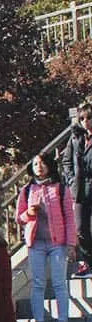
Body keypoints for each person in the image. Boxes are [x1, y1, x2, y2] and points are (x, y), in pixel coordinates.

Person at [17, 152, 76, 322]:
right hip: (35, 242)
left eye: (42, 163)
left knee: (59, 283)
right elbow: (19, 217)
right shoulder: (27, 190)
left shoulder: (60, 189)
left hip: (57, 242)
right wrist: (30, 213)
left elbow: (69, 217)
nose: (39, 167)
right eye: (35, 164)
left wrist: (71, 243)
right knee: (37, 283)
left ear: (50, 165)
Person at [60, 101, 92, 274]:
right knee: (80, 228)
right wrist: (72, 179)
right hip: (79, 189)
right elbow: (66, 160)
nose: (86, 121)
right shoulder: (75, 138)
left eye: (89, 117)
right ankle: (87, 262)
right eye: (82, 118)